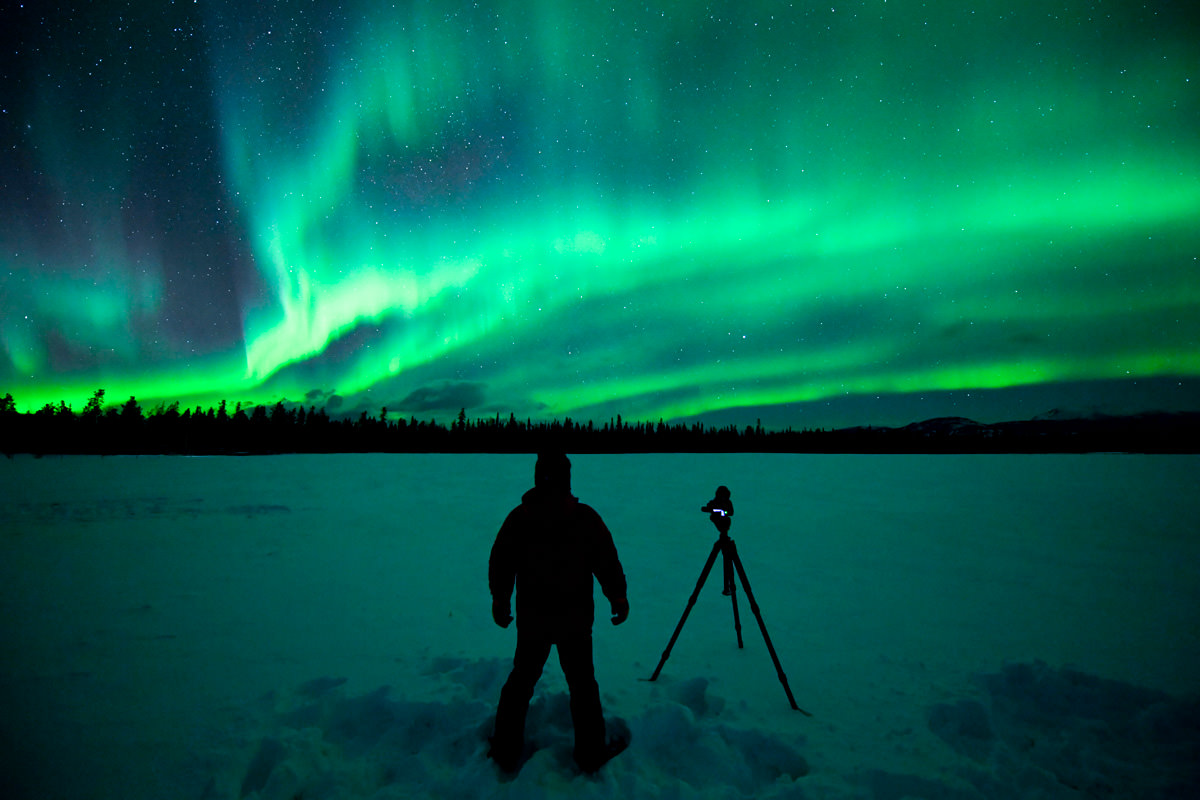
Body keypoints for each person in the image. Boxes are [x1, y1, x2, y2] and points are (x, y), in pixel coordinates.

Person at [488, 451, 630, 773]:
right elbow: (606, 562)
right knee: (581, 685)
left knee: (522, 681)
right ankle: (591, 753)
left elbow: (501, 562)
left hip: (535, 620)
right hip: (573, 621)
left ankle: (505, 748)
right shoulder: (583, 518)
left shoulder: (521, 517)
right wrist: (617, 597)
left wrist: (501, 599)